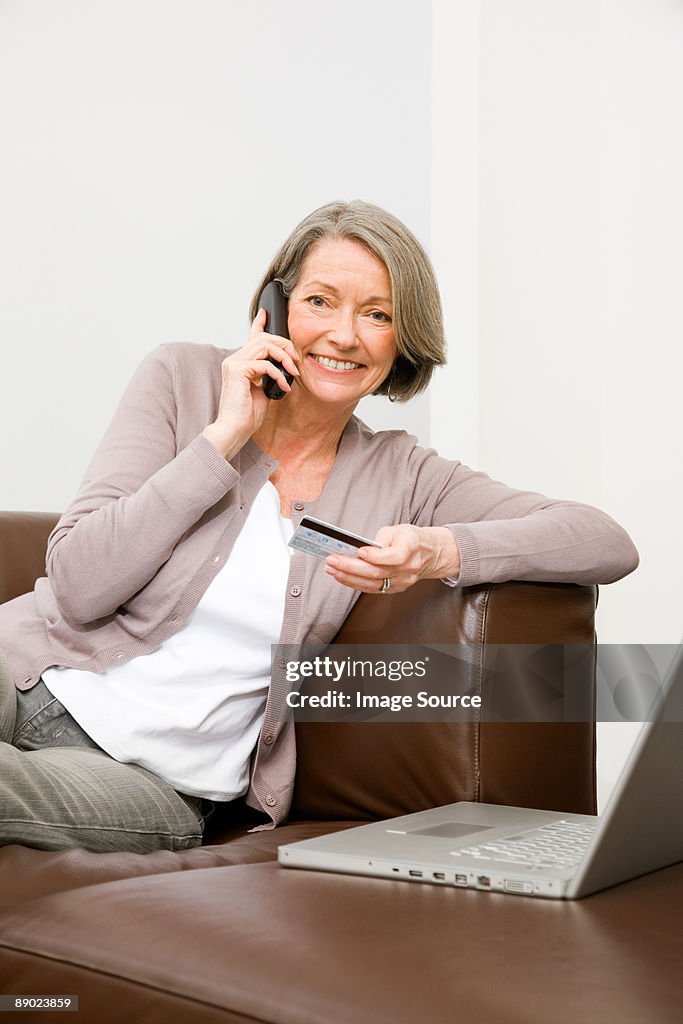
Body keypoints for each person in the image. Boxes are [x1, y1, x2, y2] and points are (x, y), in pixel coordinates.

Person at [0, 200, 639, 854]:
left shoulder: (404, 477)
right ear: (273, 311)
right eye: (320, 301)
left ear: (402, 339)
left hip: (145, 780)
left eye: (377, 314)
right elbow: (78, 588)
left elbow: (602, 540)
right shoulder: (182, 380)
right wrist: (223, 439)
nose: (343, 334)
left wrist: (439, 548)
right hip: (24, 673)